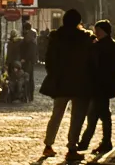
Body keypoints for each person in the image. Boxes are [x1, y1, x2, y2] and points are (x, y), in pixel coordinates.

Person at [39, 9, 95, 161]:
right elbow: (91, 61)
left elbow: (49, 59)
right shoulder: (85, 38)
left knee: (56, 114)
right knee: (77, 117)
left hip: (61, 82)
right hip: (80, 82)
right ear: (78, 22)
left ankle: (48, 145)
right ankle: (71, 148)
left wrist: (54, 75)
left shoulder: (56, 37)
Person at [77, 20, 115, 154]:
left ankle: (88, 143)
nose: (95, 32)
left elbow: (94, 66)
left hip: (98, 86)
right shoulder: (111, 45)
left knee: (96, 115)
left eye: (97, 30)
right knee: (100, 115)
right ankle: (97, 142)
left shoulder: (100, 47)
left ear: (102, 31)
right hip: (105, 86)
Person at [20, 28, 38, 101]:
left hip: (28, 63)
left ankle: (28, 95)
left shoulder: (31, 43)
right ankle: (29, 95)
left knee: (28, 79)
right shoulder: (33, 42)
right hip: (30, 62)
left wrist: (24, 59)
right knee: (29, 79)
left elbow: (30, 53)